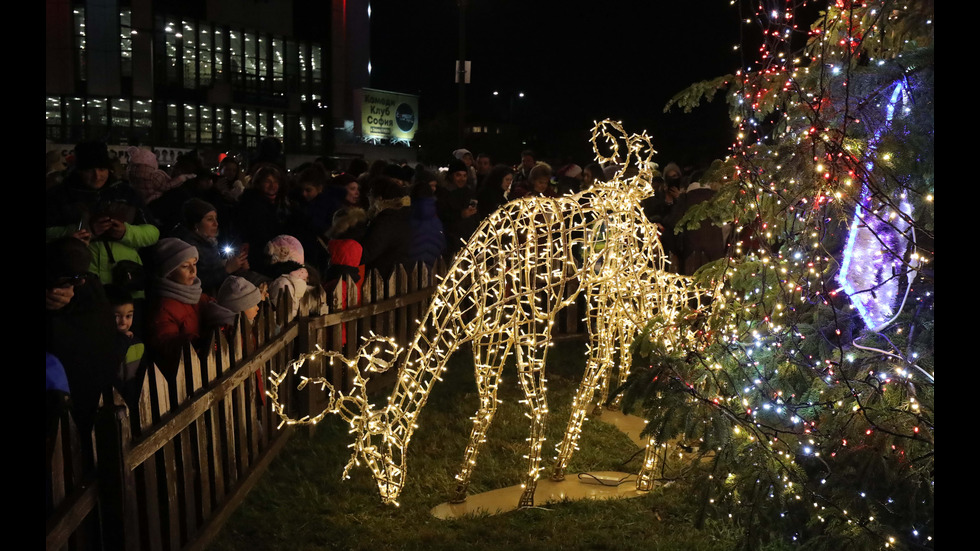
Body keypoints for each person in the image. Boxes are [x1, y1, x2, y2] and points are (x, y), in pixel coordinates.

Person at [147, 237, 219, 374]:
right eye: (185, 266)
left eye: (194, 264)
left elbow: (217, 311)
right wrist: (195, 342)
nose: (193, 270)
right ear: (169, 272)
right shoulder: (164, 308)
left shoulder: (199, 297)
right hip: (186, 374)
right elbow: (165, 343)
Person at [171, 198, 250, 295]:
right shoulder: (187, 247)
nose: (216, 224)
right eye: (209, 219)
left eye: (215, 219)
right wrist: (227, 269)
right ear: (195, 224)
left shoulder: (207, 241)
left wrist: (237, 268)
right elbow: (196, 280)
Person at [104, 284, 148, 409]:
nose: (123, 322)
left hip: (137, 400)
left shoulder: (137, 343)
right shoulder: (104, 344)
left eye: (128, 316)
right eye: (116, 316)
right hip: (113, 402)